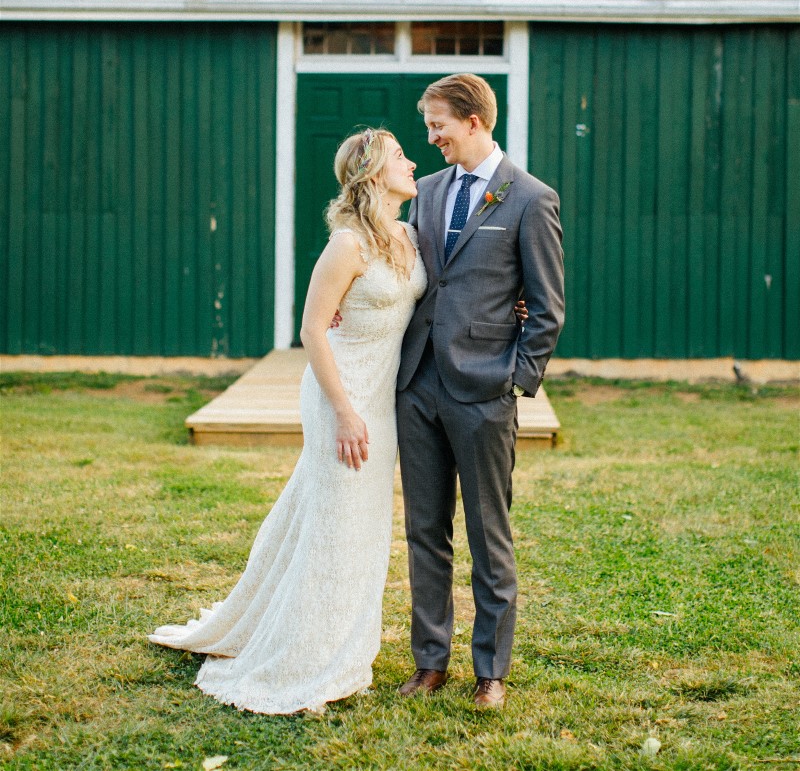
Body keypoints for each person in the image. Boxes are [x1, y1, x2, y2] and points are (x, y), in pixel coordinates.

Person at [149, 129, 425, 714]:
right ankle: (308, 654)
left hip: (382, 398)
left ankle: (340, 638)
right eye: (401, 155)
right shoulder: (347, 245)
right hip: (340, 397)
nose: (413, 161)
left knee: (361, 524)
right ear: (373, 171)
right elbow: (311, 331)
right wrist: (346, 412)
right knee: (336, 521)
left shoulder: (410, 235)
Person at [395, 73, 565, 710]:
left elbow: (547, 308)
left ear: (472, 121)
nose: (430, 137)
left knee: (489, 534)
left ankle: (490, 671)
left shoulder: (530, 198)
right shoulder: (428, 192)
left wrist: (516, 380)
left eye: (437, 124)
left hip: (485, 390)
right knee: (423, 530)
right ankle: (429, 661)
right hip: (417, 385)